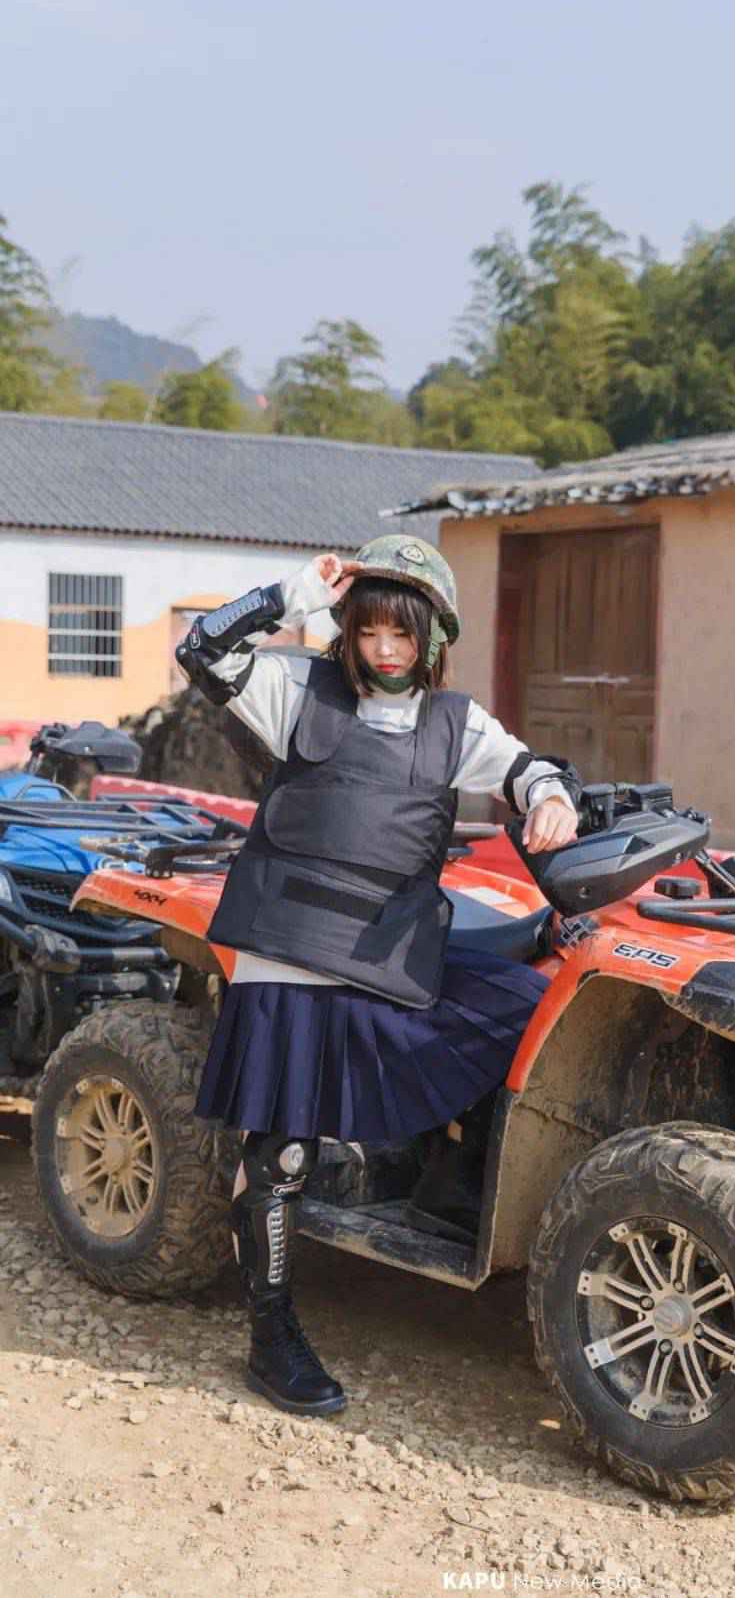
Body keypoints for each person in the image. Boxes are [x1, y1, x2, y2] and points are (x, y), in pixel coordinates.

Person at [175, 535, 580, 1418]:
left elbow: (526, 768)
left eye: (404, 633)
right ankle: (271, 1336)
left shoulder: (455, 724)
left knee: (524, 1002)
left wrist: (550, 797)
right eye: (371, 631)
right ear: (351, 630)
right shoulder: (295, 693)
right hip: (288, 950)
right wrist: (291, 591)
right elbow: (201, 649)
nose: (386, 649)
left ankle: (437, 1184)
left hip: (383, 954)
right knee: (279, 1157)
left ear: (432, 638)